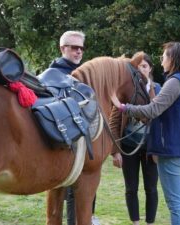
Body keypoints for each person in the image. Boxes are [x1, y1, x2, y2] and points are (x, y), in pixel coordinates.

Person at [112, 42, 180, 225]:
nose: (162, 61)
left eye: (164, 57)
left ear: (173, 59)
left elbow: (152, 110)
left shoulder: (174, 82)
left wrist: (121, 106)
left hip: (173, 151)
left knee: (175, 203)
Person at [49, 30, 100, 225]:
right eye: (74, 47)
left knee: (85, 193)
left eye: (81, 48)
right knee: (72, 194)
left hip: (85, 145)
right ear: (63, 48)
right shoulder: (54, 74)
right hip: (66, 145)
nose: (78, 52)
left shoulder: (84, 74)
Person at [111, 52, 160, 225]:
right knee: (131, 187)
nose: (141, 70)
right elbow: (114, 122)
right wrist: (115, 151)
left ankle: (150, 222)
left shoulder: (159, 89)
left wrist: (150, 87)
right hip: (129, 146)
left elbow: (157, 113)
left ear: (151, 68)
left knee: (151, 188)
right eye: (138, 67)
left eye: (145, 66)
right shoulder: (126, 92)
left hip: (150, 148)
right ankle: (135, 222)